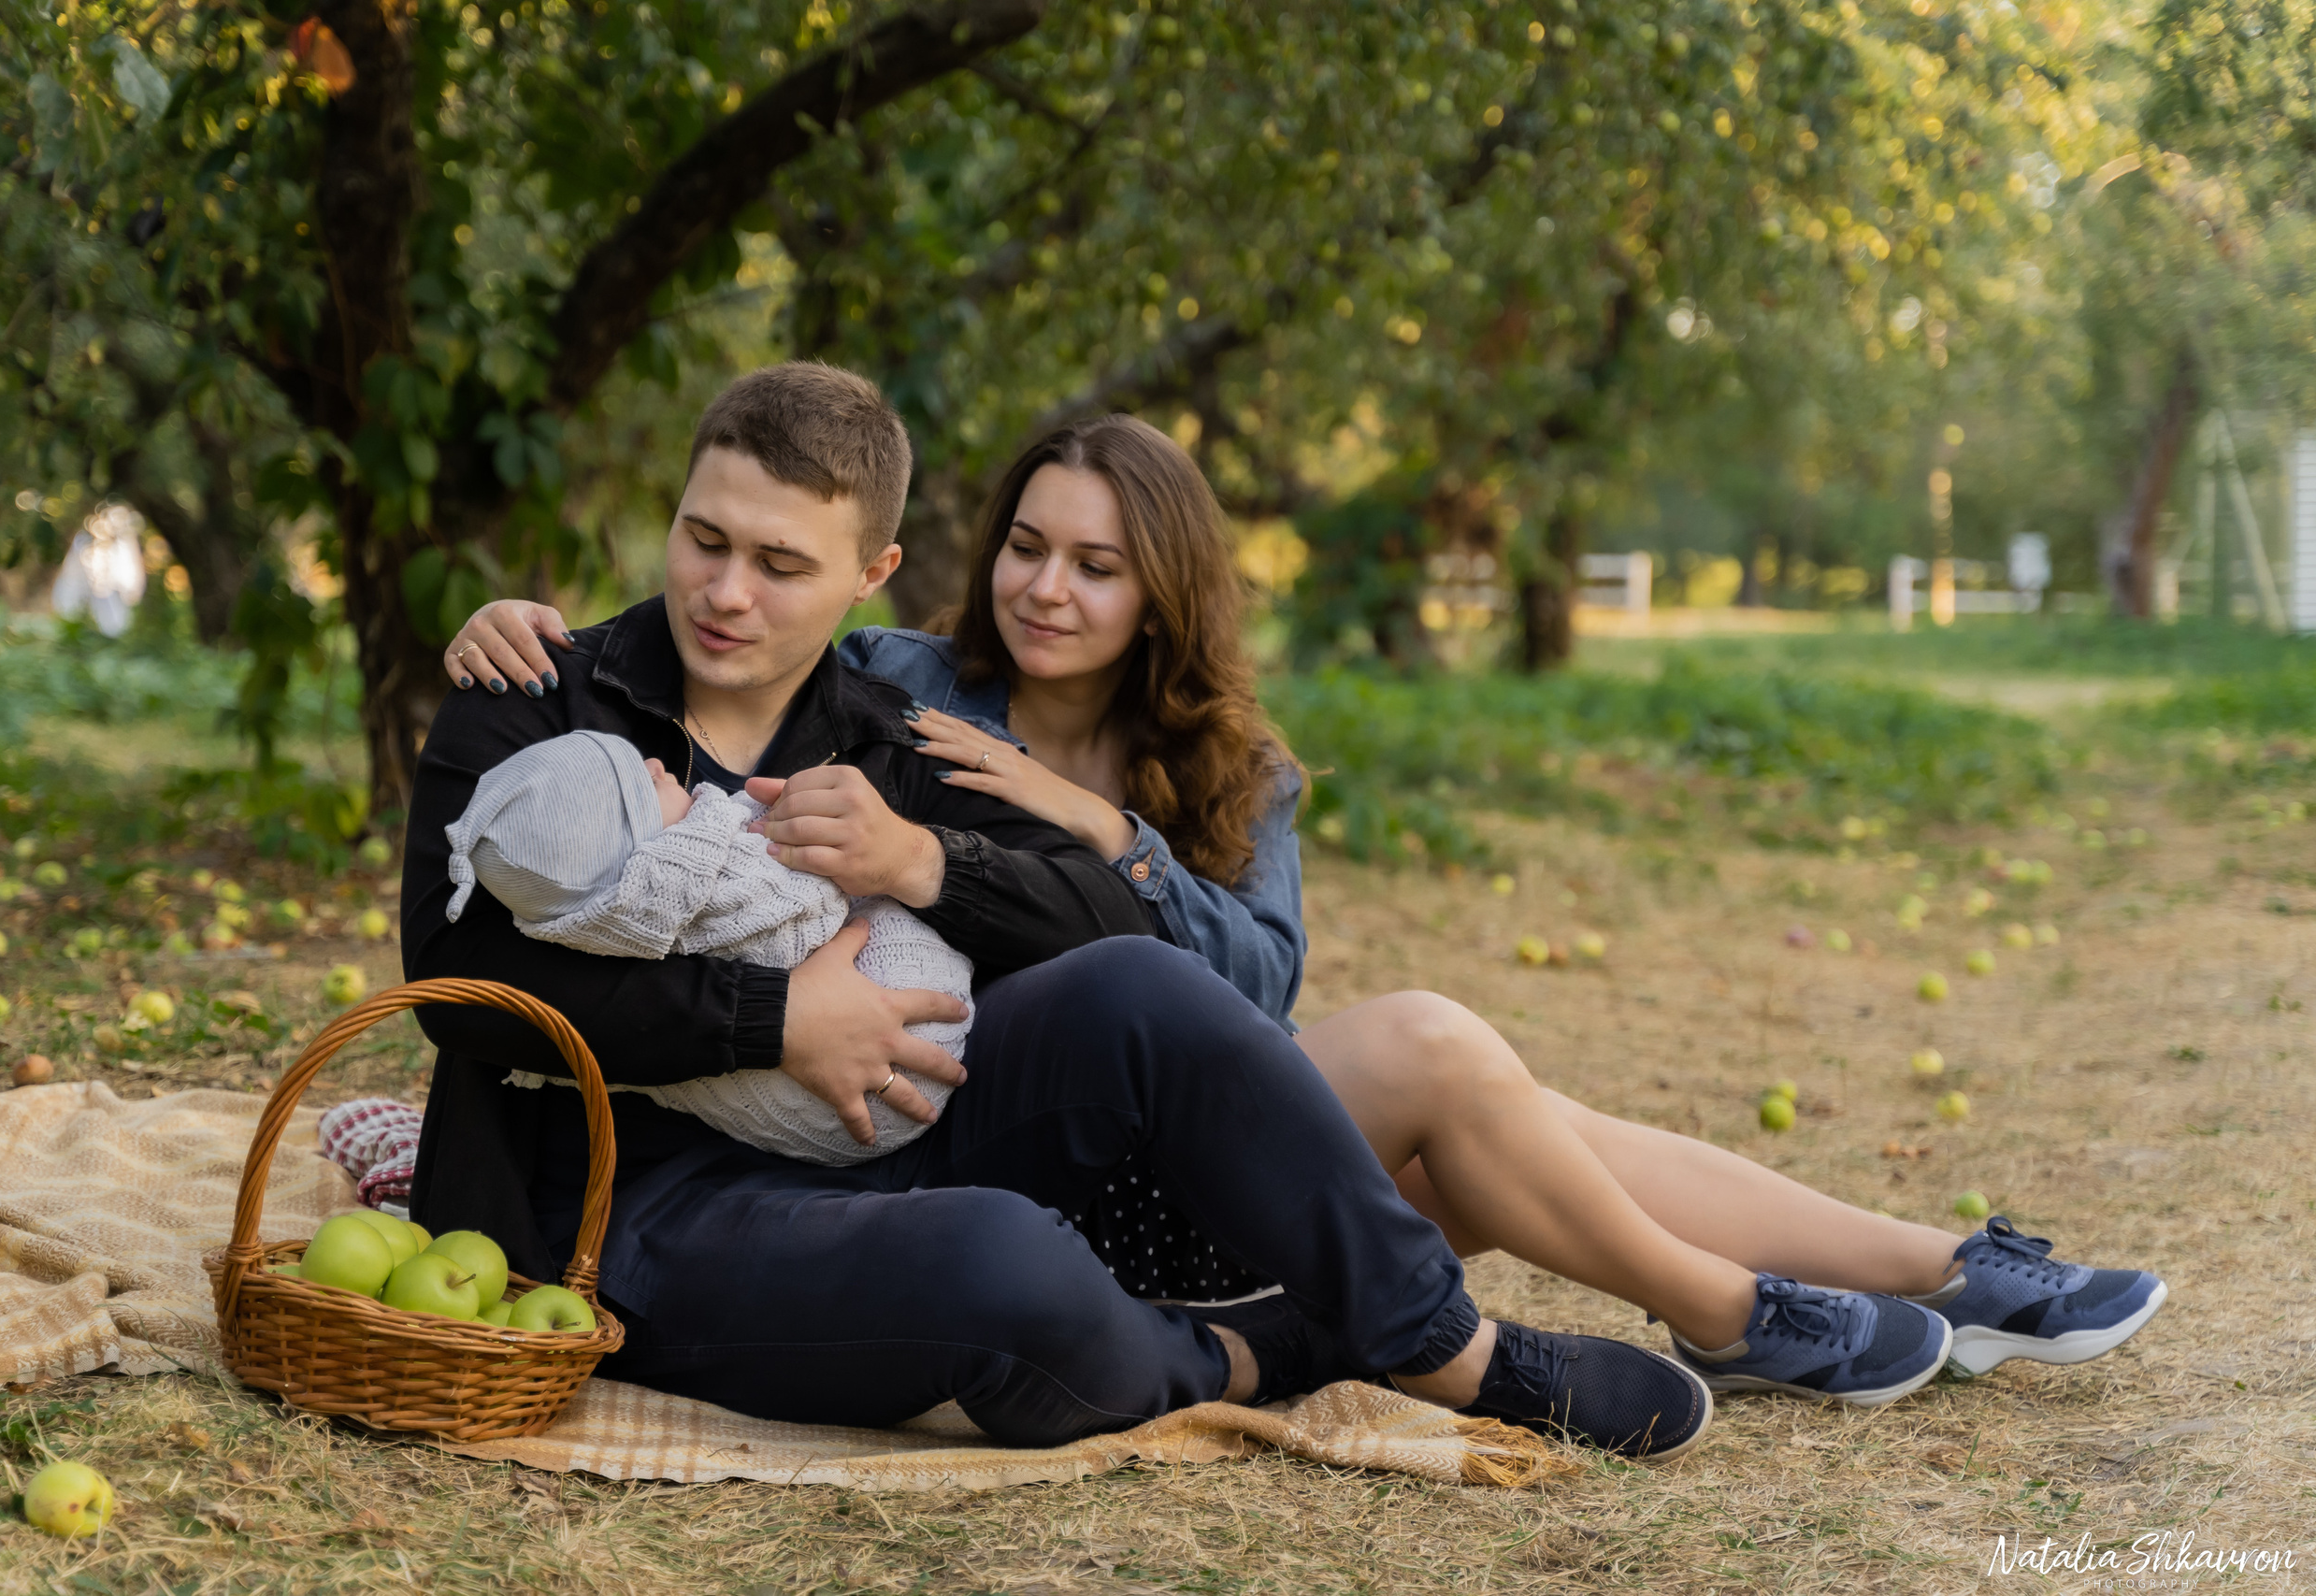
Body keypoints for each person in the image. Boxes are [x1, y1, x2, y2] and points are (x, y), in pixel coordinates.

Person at [448, 412, 2167, 1400]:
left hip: (1190, 1106)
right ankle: (1788, 1297)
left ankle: (1915, 1273)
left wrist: (1102, 834)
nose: (1051, 585)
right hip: (1051, 1127)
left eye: (1100, 563)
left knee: (1472, 1101)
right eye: (1033, 545)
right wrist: (530, 633)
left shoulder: (1230, 769)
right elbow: (734, 614)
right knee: (1455, 1075)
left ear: (1162, 591)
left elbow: (1243, 999)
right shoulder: (909, 683)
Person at [402, 360, 1722, 1464]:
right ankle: (1258, 1347)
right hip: (627, 1209)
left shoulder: (890, 729)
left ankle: (1450, 1347)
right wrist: (771, 1018)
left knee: (1146, 992)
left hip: (886, 1131)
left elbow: (1124, 927)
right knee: (1007, 1265)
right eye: (704, 538)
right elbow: (455, 973)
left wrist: (926, 858)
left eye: (779, 561)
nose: (726, 592)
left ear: (873, 571)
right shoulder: (534, 690)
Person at [441, 728, 971, 1166]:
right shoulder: (703, 886)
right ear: (647, 855)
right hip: (885, 1070)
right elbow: (813, 906)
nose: (655, 762)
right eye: (640, 783)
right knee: (871, 908)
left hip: (858, 1097)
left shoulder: (581, 935)